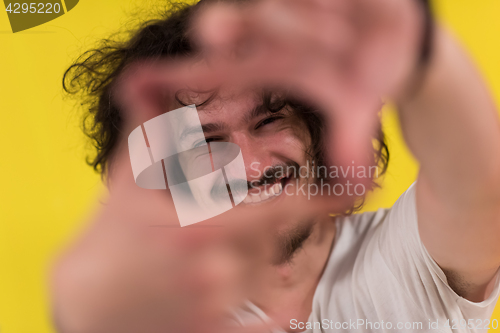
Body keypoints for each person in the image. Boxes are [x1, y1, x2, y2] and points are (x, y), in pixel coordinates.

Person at [52, 0, 500, 332]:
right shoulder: (166, 311)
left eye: (268, 120)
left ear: (315, 128)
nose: (250, 164)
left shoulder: (408, 255)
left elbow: (477, 187)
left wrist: (420, 54)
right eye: (208, 141)